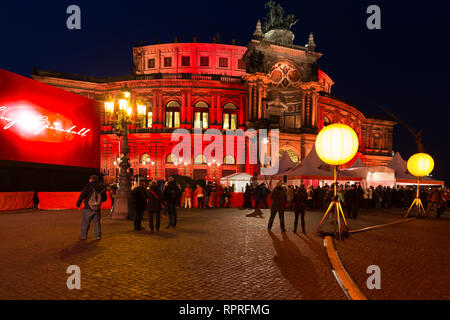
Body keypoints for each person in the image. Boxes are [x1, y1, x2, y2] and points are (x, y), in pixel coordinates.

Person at [76, 175, 107, 240]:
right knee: (97, 222)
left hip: (87, 207)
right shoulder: (101, 187)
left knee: (85, 222)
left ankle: (84, 236)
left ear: (90, 180)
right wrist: (97, 202)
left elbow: (82, 196)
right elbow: (105, 198)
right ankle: (98, 236)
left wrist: (78, 204)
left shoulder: (87, 186)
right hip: (97, 208)